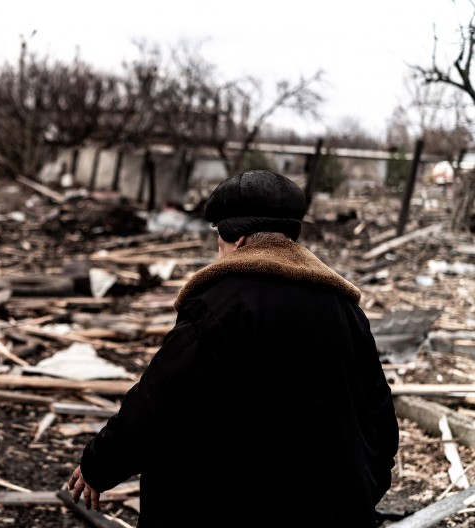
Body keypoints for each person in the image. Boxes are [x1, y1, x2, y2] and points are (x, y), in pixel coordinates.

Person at [67, 169, 399, 527]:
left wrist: (99, 465)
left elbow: (160, 402)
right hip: (329, 510)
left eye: (218, 237)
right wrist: (366, 485)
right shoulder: (344, 309)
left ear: (237, 239)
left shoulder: (221, 305)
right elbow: (379, 412)